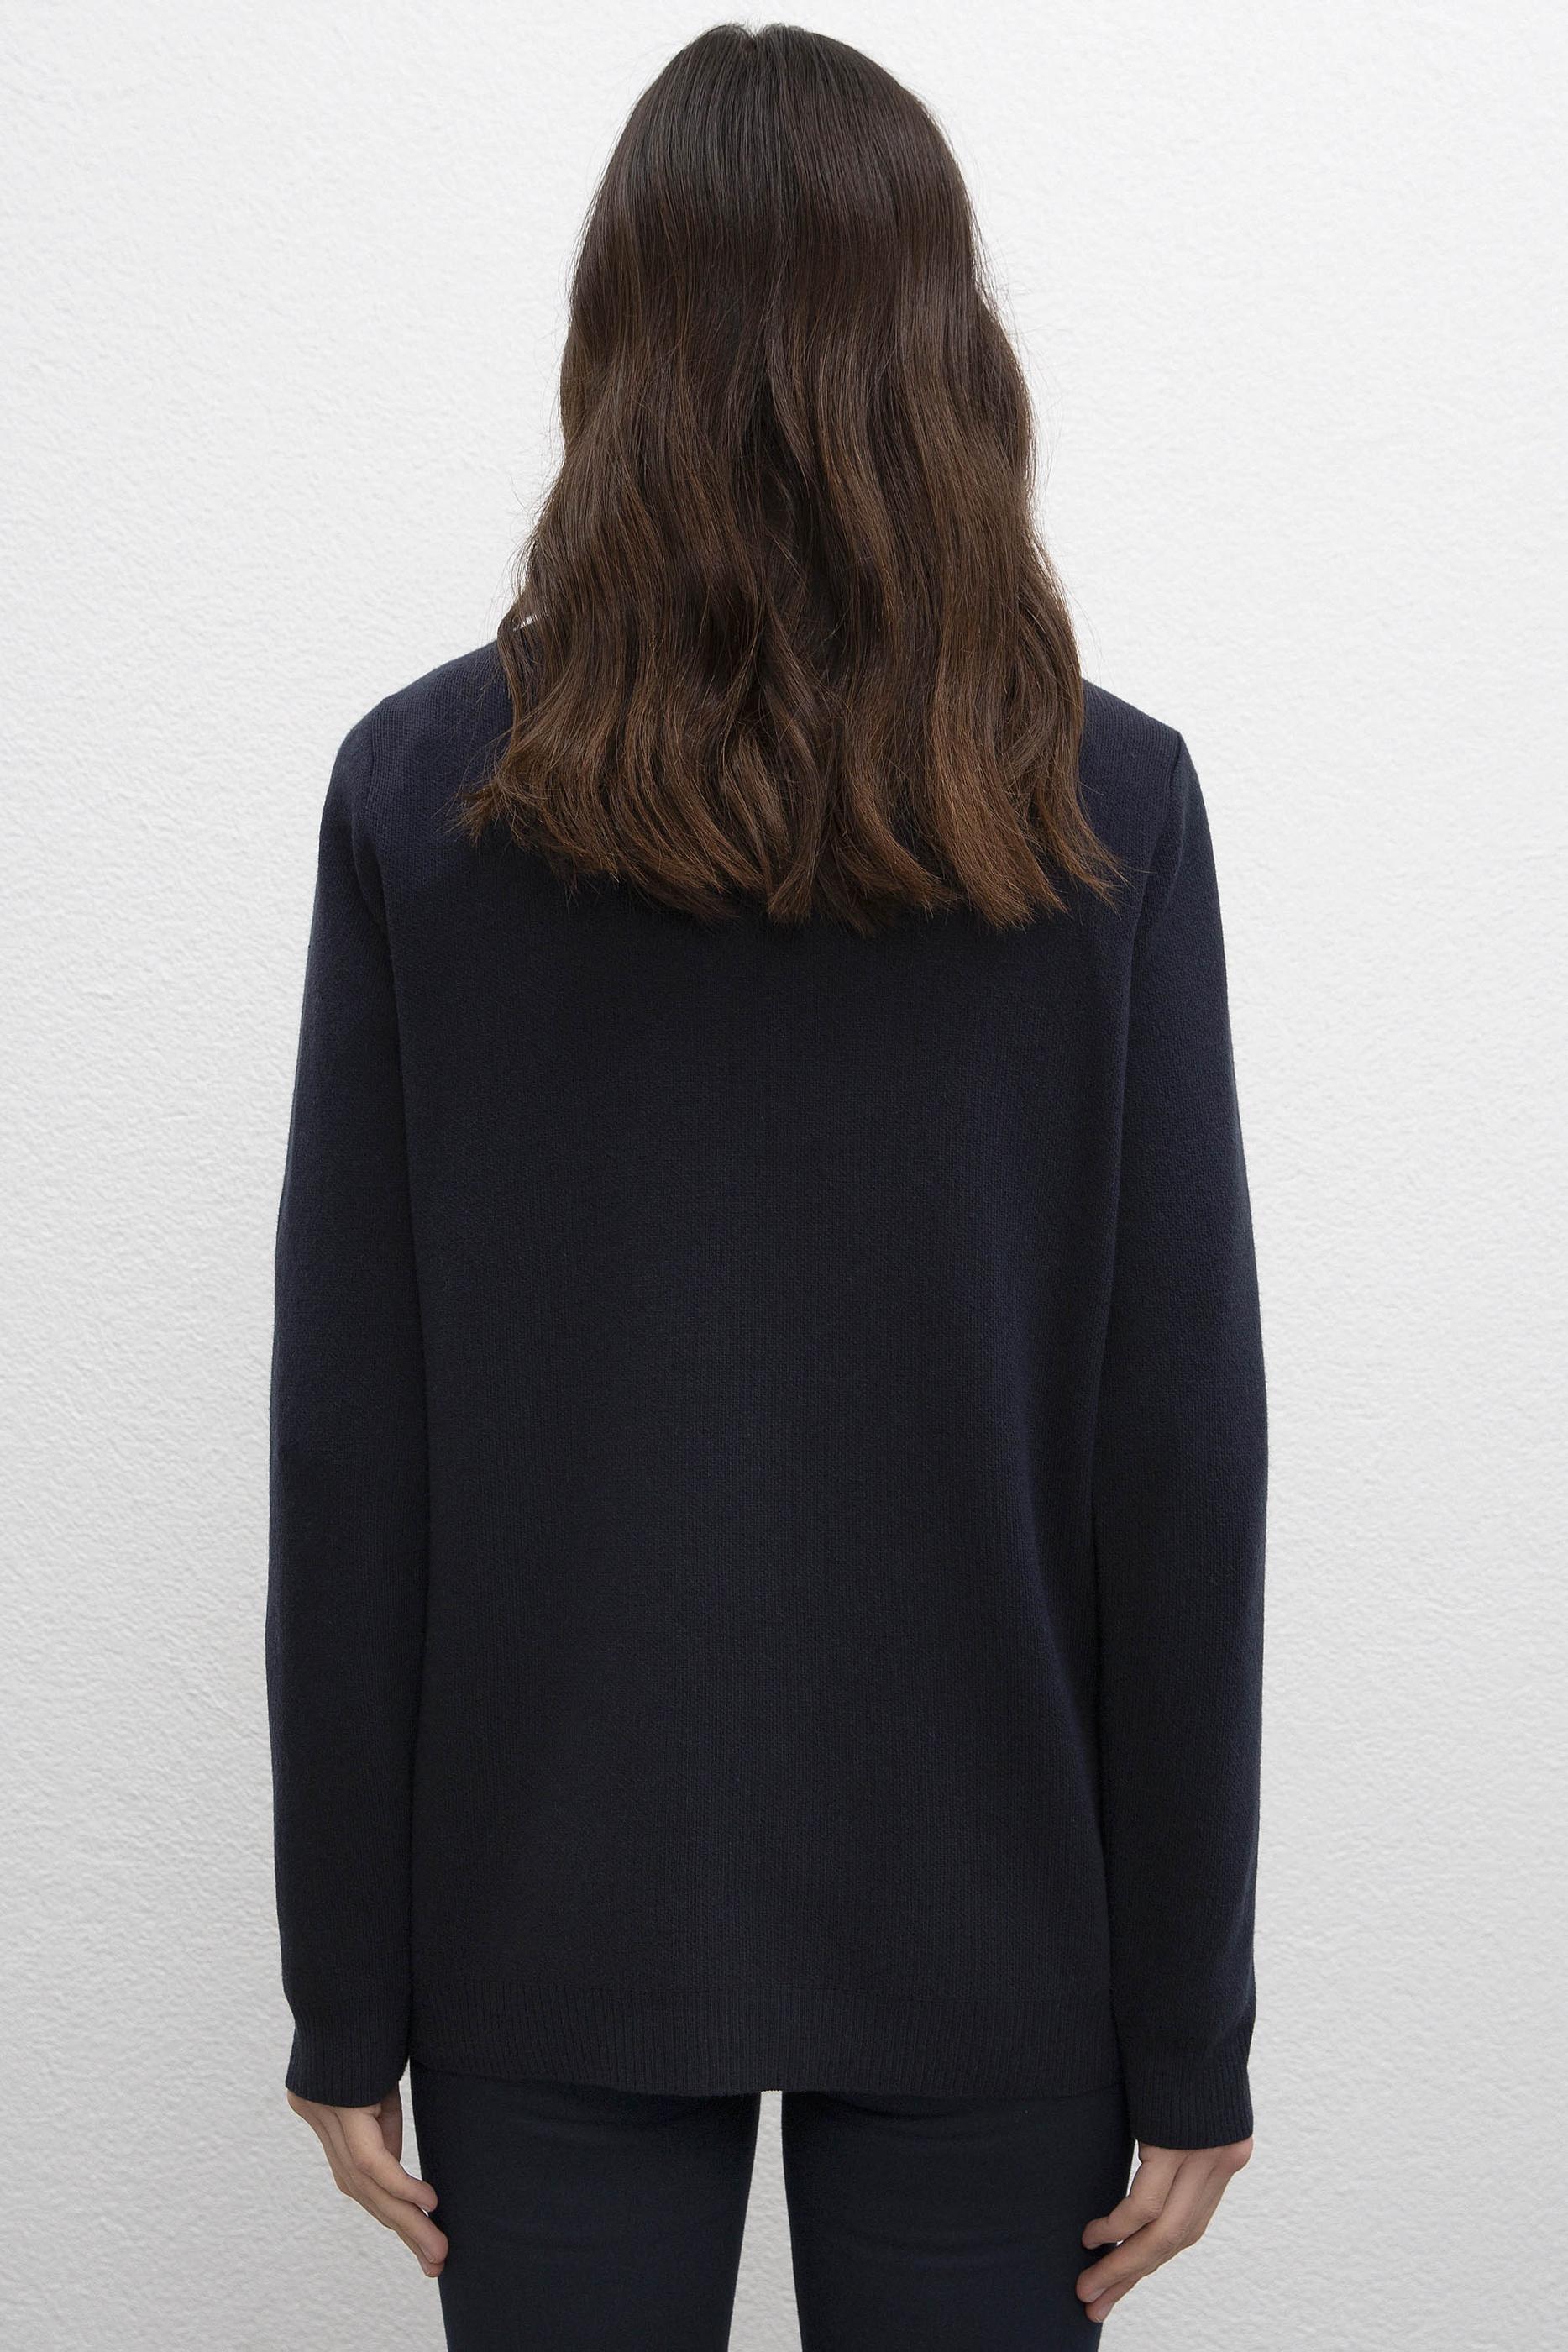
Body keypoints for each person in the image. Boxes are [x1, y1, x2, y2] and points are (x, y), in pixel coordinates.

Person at [265, 24, 1267, 2349]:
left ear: (612, 342)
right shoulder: (1099, 804)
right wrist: (1188, 2022)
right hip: (999, 1916)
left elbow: (354, 1436)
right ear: (947, 348)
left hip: (543, 1905)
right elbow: (1176, 1448)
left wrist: (345, 1984)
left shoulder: (427, 792)